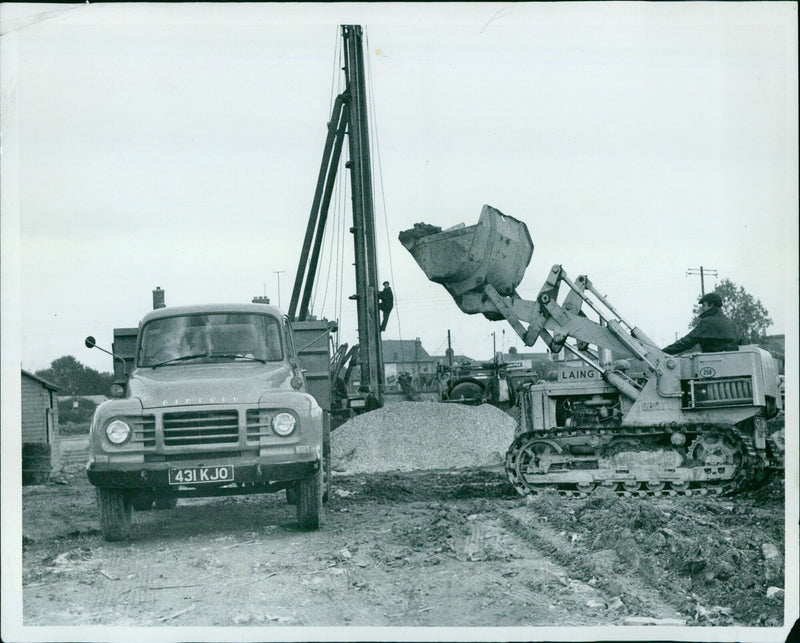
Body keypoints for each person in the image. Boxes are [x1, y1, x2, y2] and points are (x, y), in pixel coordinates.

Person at [662, 292, 740, 355]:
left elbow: (688, 341)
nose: (702, 308)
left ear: (711, 305)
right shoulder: (731, 323)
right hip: (732, 363)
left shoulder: (708, 322)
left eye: (704, 305)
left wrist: (663, 352)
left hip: (712, 363)